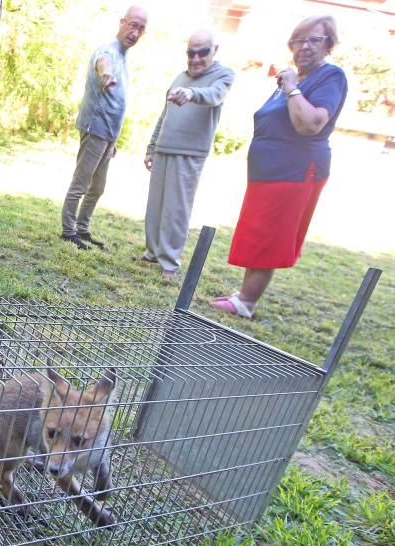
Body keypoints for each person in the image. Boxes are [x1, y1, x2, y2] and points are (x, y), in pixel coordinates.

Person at [212, 16, 347, 319]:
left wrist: (291, 88)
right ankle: (243, 294)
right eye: (299, 40)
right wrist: (291, 84)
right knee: (260, 230)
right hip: (269, 172)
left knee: (271, 234)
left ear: (329, 44)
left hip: (295, 172)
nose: (305, 47)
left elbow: (310, 124)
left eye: (314, 40)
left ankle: (246, 302)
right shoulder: (296, 79)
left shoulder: (330, 77)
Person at [141, 30, 234, 279]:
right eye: (191, 52)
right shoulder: (180, 77)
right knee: (156, 206)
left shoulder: (223, 75)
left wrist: (192, 94)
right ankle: (152, 252)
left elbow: (215, 95)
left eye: (202, 52)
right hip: (164, 147)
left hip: (190, 152)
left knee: (177, 208)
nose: (195, 58)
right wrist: (152, 146)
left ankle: (169, 261)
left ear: (215, 50)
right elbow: (165, 114)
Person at [61, 6, 148, 250]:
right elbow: (103, 64)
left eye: (141, 28)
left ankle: (82, 229)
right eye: (133, 25)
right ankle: (69, 231)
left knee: (97, 187)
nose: (136, 32)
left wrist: (114, 139)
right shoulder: (108, 52)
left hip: (108, 134)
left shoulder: (123, 55)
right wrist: (106, 75)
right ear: (122, 22)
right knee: (81, 182)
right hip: (95, 128)